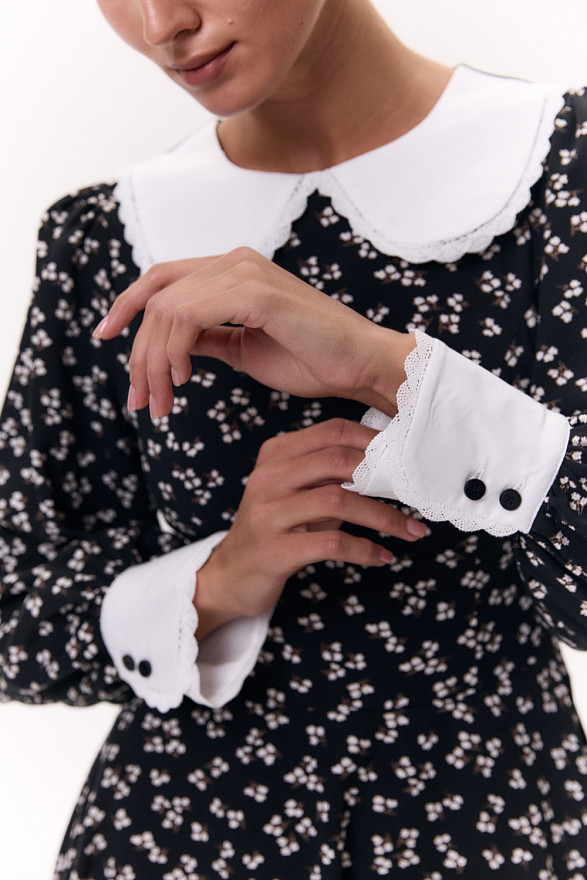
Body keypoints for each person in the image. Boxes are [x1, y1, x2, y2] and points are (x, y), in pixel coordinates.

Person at [1, 0, 586, 877]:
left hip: (489, 833)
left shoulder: (559, 172)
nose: (163, 23)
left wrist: (385, 368)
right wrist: (219, 576)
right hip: (175, 841)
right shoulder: (100, 240)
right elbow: (17, 619)